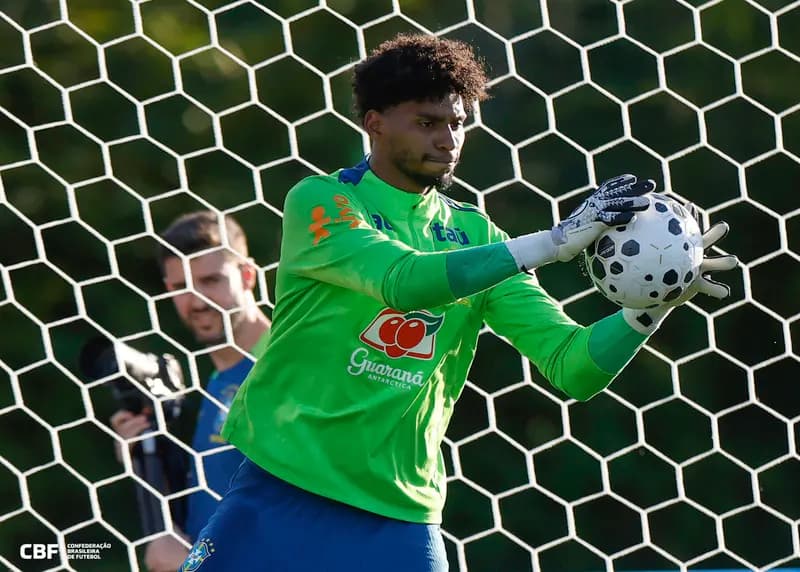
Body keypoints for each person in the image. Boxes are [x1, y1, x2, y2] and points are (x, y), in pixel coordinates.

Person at [182, 34, 737, 571]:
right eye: (427, 123)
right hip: (281, 489)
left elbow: (573, 366)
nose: (447, 139)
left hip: (398, 515)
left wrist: (651, 305)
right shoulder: (323, 201)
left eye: (457, 124)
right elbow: (402, 280)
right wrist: (553, 242)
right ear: (374, 123)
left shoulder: (476, 237)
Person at [108, 211, 270, 572]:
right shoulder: (217, 381)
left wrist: (186, 564)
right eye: (180, 286)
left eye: (210, 280)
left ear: (247, 275)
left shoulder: (282, 368)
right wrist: (146, 457)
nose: (196, 301)